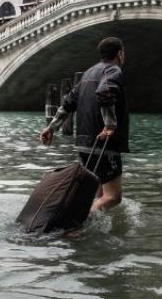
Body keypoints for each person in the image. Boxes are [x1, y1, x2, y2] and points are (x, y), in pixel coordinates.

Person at [39, 37, 129, 212]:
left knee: (98, 194)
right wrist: (109, 125)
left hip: (83, 144)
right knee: (113, 197)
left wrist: (51, 127)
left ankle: (89, 228)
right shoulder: (113, 71)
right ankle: (77, 222)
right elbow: (105, 92)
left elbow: (67, 103)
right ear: (120, 54)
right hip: (103, 143)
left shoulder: (88, 73)